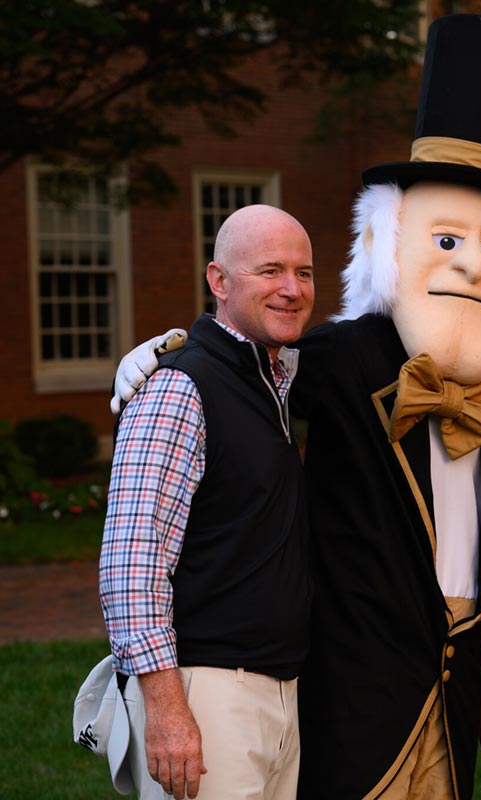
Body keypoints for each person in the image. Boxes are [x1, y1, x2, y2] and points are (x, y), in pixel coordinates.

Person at [111, 15, 481, 799]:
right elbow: (251, 353)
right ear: (393, 244)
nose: (469, 265)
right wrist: (161, 353)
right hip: (351, 706)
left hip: (448, 709)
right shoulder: (343, 358)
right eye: (448, 240)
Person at [99, 204, 314, 800]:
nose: (292, 289)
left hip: (279, 691)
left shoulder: (275, 380)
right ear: (219, 281)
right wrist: (167, 708)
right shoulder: (178, 387)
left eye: (305, 272)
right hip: (205, 691)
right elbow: (130, 565)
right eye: (270, 270)